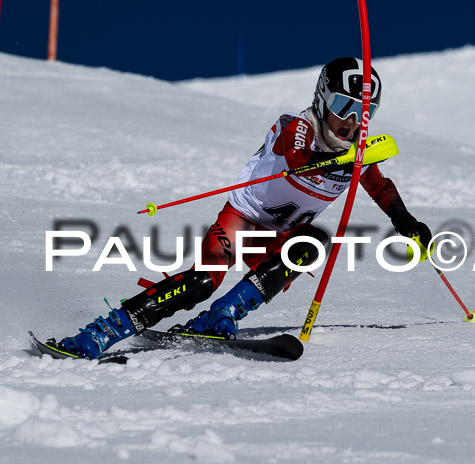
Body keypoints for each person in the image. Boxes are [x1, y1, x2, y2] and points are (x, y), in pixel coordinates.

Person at [57, 57, 433, 359]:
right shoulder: (298, 125)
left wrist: (406, 221)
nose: (351, 122)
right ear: (322, 98)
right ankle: (101, 332)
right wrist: (344, 161)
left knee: (313, 243)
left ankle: (222, 315)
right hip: (242, 221)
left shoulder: (357, 152)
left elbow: (379, 186)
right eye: (343, 106)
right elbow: (299, 157)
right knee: (203, 281)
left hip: (279, 238)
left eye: (363, 113)